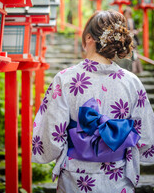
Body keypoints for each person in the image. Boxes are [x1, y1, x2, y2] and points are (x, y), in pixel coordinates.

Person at [32, 10, 154, 193]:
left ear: (89, 38)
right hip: (118, 178)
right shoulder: (132, 82)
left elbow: (51, 137)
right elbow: (144, 137)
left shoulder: (65, 79)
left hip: (75, 179)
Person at [123, 7, 143, 74]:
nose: (127, 15)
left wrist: (136, 31)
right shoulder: (124, 21)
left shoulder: (132, 21)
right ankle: (134, 69)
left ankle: (137, 70)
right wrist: (130, 32)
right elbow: (124, 31)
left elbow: (133, 29)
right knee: (132, 54)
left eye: (129, 13)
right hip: (127, 39)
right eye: (126, 13)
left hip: (133, 39)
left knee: (135, 54)